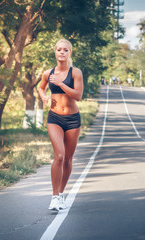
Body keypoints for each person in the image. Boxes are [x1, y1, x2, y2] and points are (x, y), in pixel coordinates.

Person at [38, 39, 83, 211]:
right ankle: (55, 197)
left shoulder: (75, 73)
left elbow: (78, 95)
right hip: (55, 118)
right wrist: (43, 96)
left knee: (68, 160)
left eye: (65, 50)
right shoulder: (47, 73)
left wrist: (60, 84)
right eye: (59, 50)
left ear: (69, 53)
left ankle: (62, 193)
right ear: (55, 52)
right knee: (59, 156)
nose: (62, 52)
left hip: (73, 120)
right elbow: (41, 88)